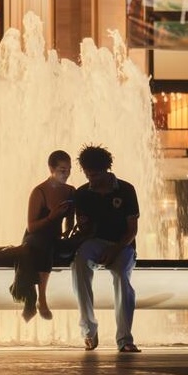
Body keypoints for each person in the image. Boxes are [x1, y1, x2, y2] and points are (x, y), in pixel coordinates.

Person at [71, 144, 141, 353]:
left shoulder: (126, 190)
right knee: (80, 264)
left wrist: (115, 250)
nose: (90, 178)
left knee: (122, 276)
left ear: (106, 169)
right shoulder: (83, 193)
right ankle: (89, 330)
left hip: (123, 243)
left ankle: (125, 338)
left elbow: (132, 230)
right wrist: (83, 226)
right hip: (96, 241)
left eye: (94, 174)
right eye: (87, 174)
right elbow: (84, 231)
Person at [20, 150, 75, 322]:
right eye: (62, 170)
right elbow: (32, 226)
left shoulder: (70, 191)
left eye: (69, 169)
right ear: (51, 169)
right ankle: (41, 299)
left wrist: (68, 234)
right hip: (36, 237)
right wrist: (52, 217)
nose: (66, 174)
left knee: (72, 247)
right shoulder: (39, 192)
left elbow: (70, 222)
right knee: (46, 244)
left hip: (55, 238)